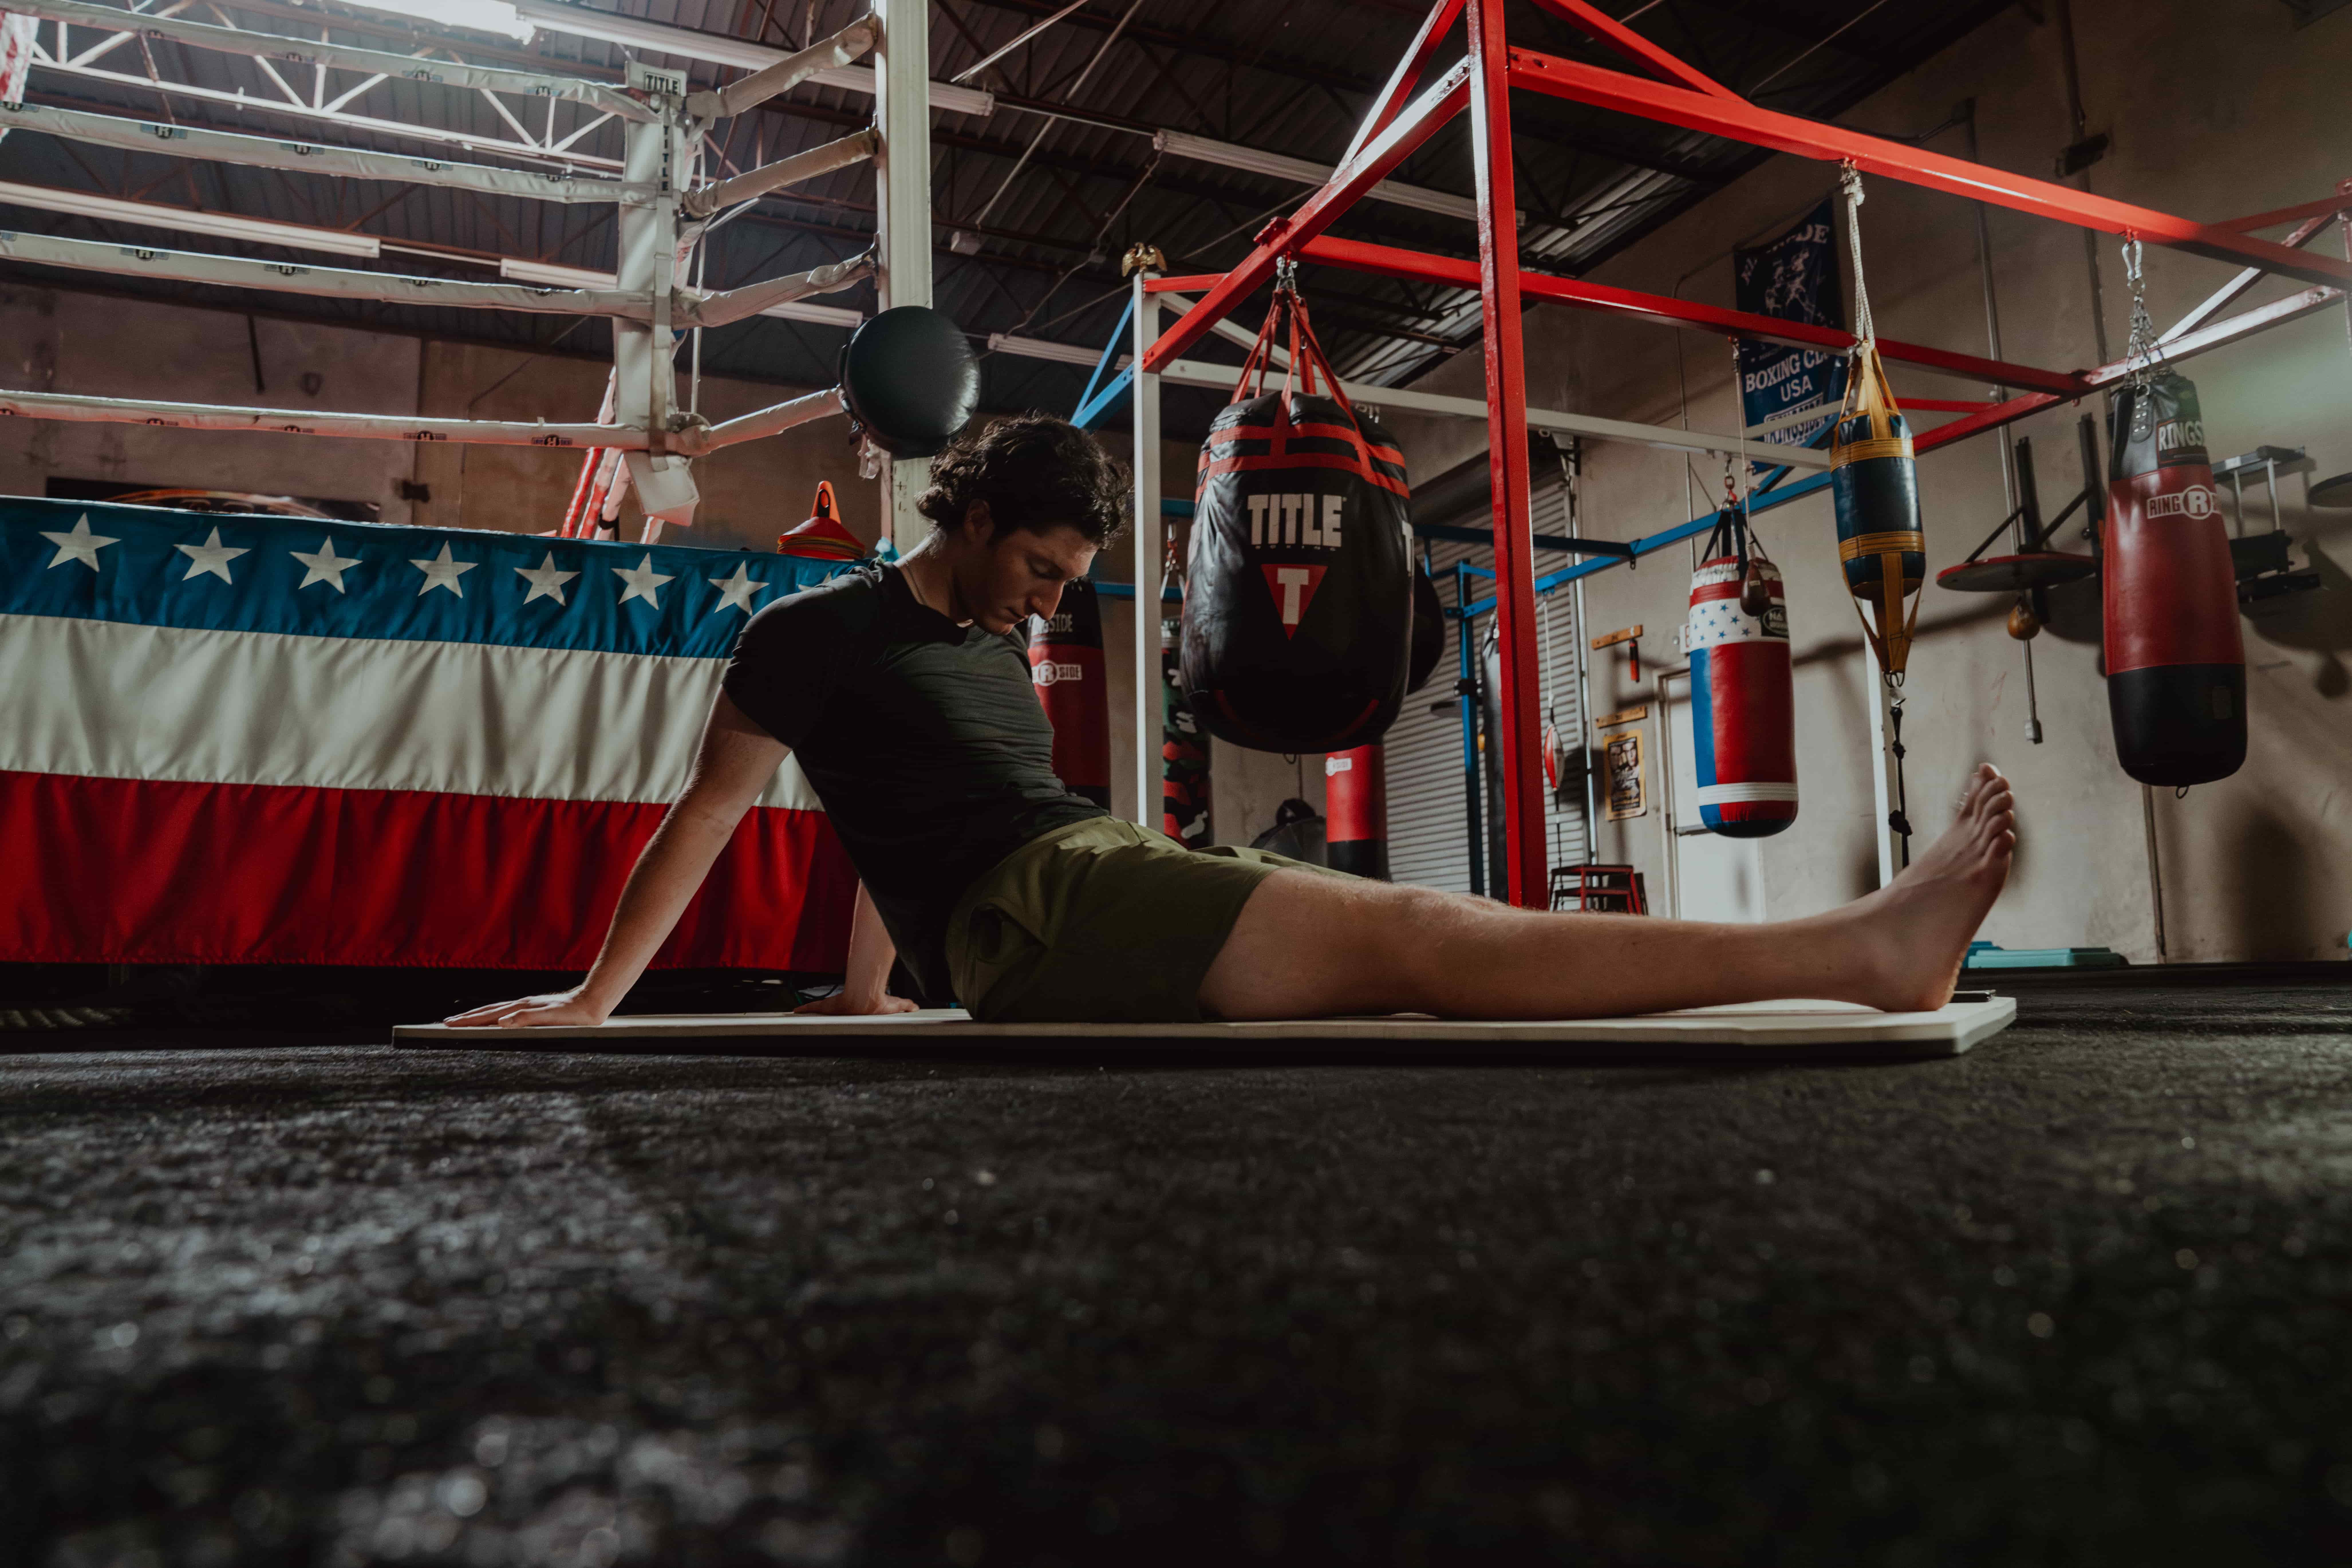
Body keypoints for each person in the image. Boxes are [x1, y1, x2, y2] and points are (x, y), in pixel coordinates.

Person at [449, 413, 2015, 1032]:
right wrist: (594, 1002)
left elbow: (883, 824)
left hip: (1085, 872)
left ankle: (1858, 947)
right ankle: (1859, 948)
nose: (1047, 611)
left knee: (1434, 922)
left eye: (1070, 588)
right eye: (1041, 573)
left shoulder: (977, 649)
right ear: (975, 515)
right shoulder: (810, 634)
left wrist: (872, 996)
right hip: (1041, 911)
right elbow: (710, 814)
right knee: (1412, 935)